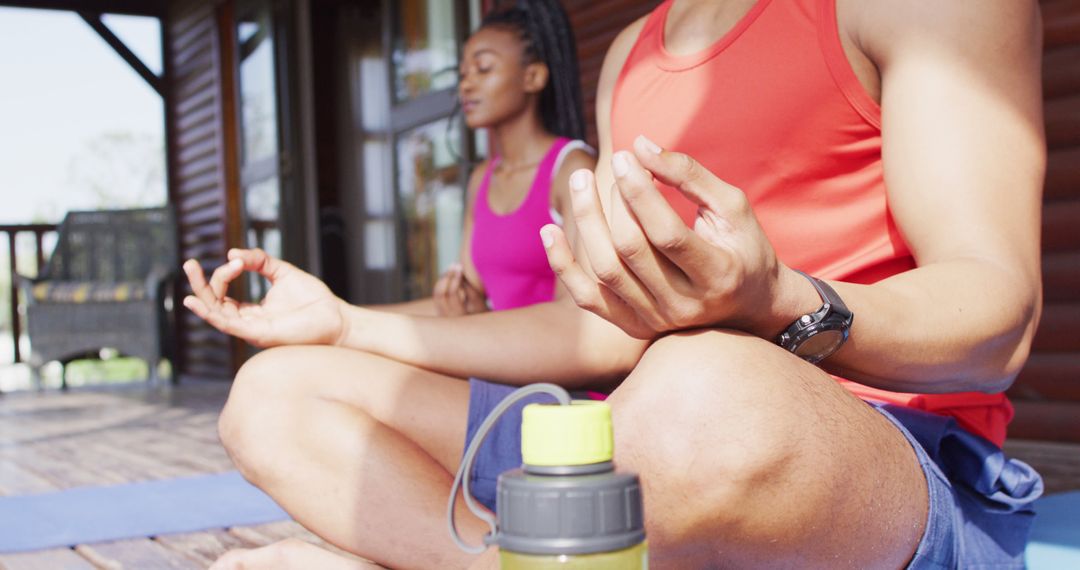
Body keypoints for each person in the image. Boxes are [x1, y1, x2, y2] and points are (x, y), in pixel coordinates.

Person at [188, 0, 1047, 568]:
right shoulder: (635, 53)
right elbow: (599, 328)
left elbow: (997, 321)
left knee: (702, 388)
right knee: (275, 392)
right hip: (638, 438)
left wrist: (777, 301)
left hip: (878, 462)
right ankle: (506, 560)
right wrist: (346, 324)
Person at [370, 0, 595, 319]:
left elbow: (576, 318)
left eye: (484, 68)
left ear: (533, 77)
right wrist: (349, 314)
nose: (466, 84)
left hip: (552, 362)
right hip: (492, 357)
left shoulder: (571, 169)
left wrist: (482, 319)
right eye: (463, 73)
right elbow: (466, 301)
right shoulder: (481, 179)